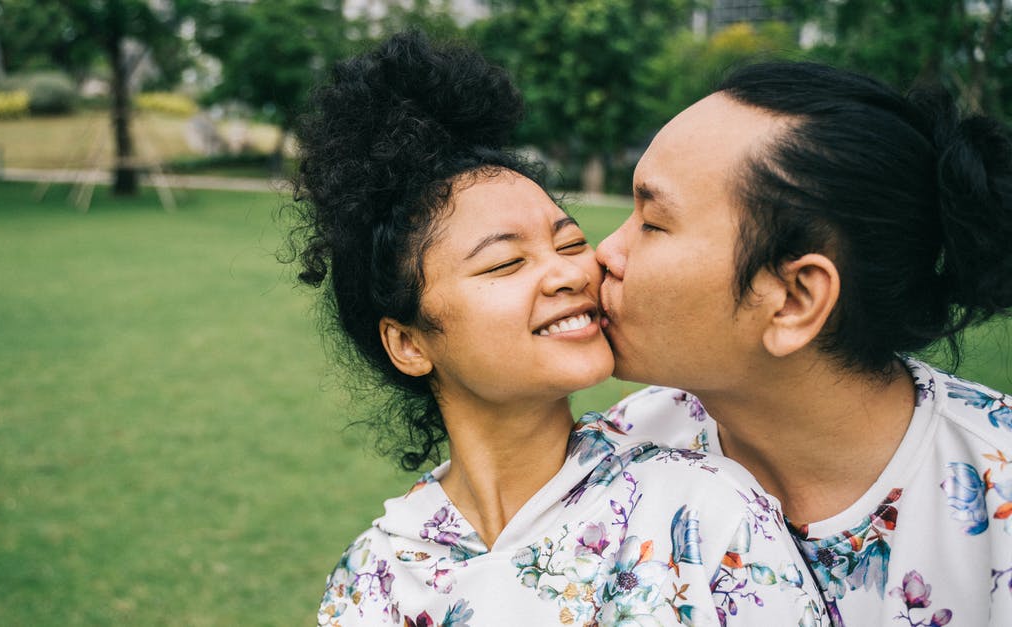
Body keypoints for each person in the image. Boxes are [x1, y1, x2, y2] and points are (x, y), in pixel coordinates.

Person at [292, 33, 827, 626]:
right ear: (410, 344)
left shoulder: (702, 509)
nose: (570, 272)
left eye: (570, 242)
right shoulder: (374, 576)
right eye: (504, 262)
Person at [594, 61, 1012, 626]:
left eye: (653, 222)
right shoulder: (618, 457)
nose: (604, 254)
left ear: (793, 300)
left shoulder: (998, 494)